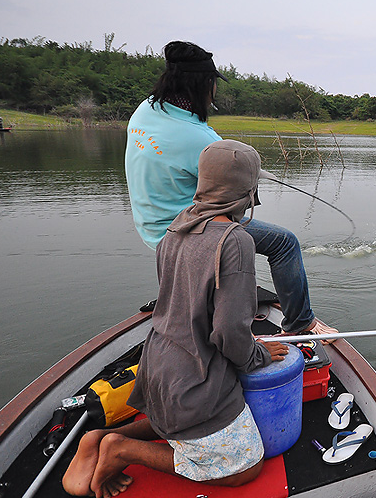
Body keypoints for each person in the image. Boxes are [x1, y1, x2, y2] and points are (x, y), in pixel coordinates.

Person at [63, 140, 291, 498]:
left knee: (173, 421)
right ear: (249, 191)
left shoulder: (176, 226)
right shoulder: (236, 241)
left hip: (156, 371)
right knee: (246, 467)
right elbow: (230, 332)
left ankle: (97, 438)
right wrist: (258, 356)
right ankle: (122, 449)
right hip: (194, 382)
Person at [124, 40, 336, 340]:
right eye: (213, 84)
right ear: (204, 85)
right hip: (187, 230)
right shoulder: (199, 138)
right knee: (284, 243)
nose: (215, 91)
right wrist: (252, 175)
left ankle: (219, 297)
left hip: (151, 226)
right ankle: (301, 322)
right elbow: (236, 195)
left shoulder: (147, 110)